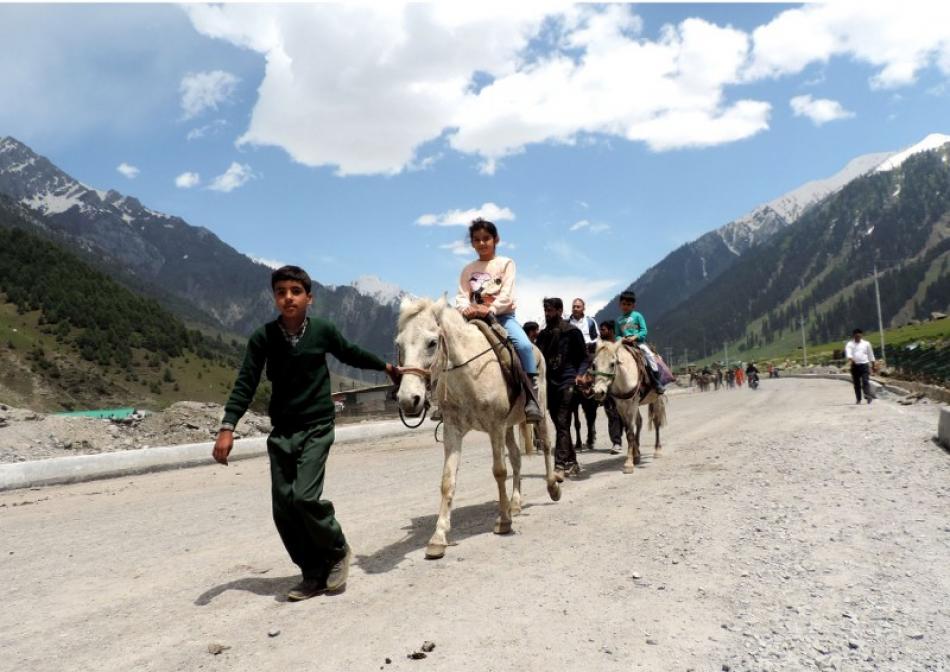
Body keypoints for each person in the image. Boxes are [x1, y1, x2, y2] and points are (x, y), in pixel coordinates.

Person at [212, 265, 401, 602]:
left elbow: (351, 352)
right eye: (281, 291)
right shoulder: (263, 338)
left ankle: (337, 548)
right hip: (283, 431)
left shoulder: (323, 331)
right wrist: (228, 426)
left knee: (304, 498)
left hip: (317, 426)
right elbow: (245, 382)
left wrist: (385, 367)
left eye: (295, 292)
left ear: (309, 298)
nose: (288, 297)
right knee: (284, 508)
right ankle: (312, 572)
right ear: (274, 297)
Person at [455, 218, 543, 423]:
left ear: (496, 239)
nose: (482, 243)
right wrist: (464, 308)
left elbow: (507, 293)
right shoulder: (468, 269)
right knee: (450, 346)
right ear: (472, 243)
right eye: (477, 240)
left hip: (502, 317)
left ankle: (532, 396)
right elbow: (461, 294)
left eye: (486, 238)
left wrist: (491, 309)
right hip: (474, 317)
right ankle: (446, 397)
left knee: (523, 345)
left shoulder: (506, 263)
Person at [537, 297, 589, 479]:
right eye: (545, 310)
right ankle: (573, 462)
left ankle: (559, 466)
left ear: (559, 310)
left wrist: (580, 374)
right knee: (561, 424)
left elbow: (584, 357)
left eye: (550, 310)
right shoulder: (543, 335)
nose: (547, 314)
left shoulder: (572, 332)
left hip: (568, 381)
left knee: (562, 421)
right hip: (550, 384)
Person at [614, 291, 665, 394]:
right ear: (620, 305)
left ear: (633, 306)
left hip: (638, 343)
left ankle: (656, 381)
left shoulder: (637, 316)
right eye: (624, 304)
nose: (626, 306)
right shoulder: (618, 320)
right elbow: (617, 335)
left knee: (649, 356)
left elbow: (643, 331)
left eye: (629, 304)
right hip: (624, 345)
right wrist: (622, 339)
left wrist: (635, 337)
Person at [569, 298, 599, 451]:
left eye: (578, 306)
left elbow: (596, 337)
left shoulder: (590, 321)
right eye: (573, 306)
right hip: (573, 355)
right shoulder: (568, 322)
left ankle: (600, 391)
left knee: (599, 370)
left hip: (588, 352)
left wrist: (590, 344)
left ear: (583, 308)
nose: (575, 308)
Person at [598, 319, 626, 455]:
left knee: (624, 415)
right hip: (608, 387)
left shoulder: (620, 346)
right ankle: (616, 442)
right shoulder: (600, 346)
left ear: (611, 330)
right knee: (612, 414)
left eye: (603, 329)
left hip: (622, 387)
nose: (600, 332)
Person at [845, 328, 876, 404]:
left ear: (861, 335)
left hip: (864, 364)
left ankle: (867, 395)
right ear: (853, 336)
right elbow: (849, 354)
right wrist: (851, 359)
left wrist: (873, 365)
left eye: (859, 336)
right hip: (855, 366)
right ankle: (858, 399)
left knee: (865, 381)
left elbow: (870, 354)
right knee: (856, 383)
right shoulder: (850, 344)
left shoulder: (866, 344)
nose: (857, 337)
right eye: (856, 336)